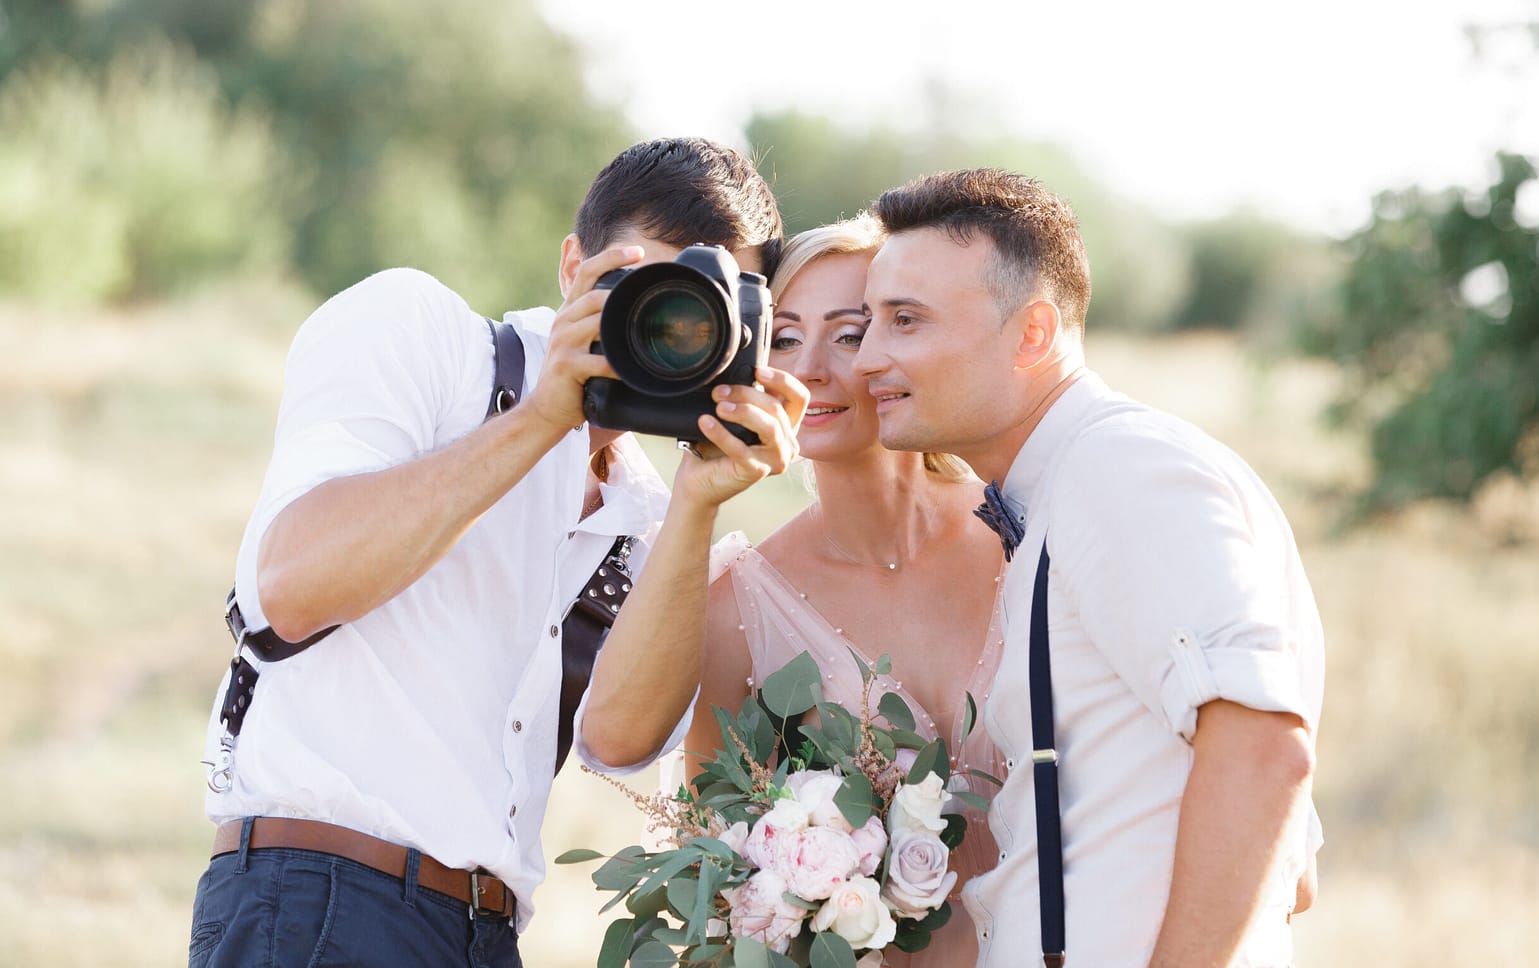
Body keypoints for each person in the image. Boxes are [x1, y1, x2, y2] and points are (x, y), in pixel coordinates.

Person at [187, 137, 808, 968]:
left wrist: (700, 498)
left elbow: (618, 744)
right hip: (319, 897)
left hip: (483, 934)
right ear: (570, 266)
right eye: (645, 289)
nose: (663, 328)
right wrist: (542, 419)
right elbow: (291, 586)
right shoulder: (423, 333)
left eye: (697, 313)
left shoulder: (652, 516)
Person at [852, 169, 1324, 968]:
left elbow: (1262, 750)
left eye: (905, 320)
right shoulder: (1068, 485)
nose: (867, 358)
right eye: (869, 321)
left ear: (1032, 333)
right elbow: (1296, 870)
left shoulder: (1122, 469)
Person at [684, 215, 1008, 967]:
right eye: (785, 339)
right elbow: (715, 862)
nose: (811, 371)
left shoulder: (1025, 535)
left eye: (850, 332)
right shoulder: (739, 605)